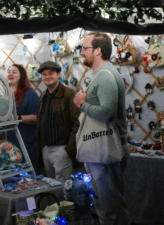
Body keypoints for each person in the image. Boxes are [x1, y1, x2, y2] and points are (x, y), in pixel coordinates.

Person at [73, 32, 130, 225]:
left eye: (85, 48)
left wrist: (82, 104)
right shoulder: (100, 74)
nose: (82, 52)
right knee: (104, 205)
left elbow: (106, 112)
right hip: (99, 148)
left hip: (107, 149)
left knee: (112, 207)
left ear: (98, 50)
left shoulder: (105, 75)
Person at [36, 61, 81, 180]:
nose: (47, 76)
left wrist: (69, 149)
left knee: (63, 187)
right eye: (44, 74)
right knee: (51, 186)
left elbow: (77, 122)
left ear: (58, 74)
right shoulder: (43, 96)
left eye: (51, 73)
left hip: (62, 148)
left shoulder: (69, 94)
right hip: (46, 148)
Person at [6, 64, 39, 167]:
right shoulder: (7, 95)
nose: (10, 74)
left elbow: (37, 117)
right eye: (8, 71)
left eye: (14, 72)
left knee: (27, 172)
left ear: (22, 76)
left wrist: (17, 118)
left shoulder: (30, 93)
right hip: (11, 140)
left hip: (26, 140)